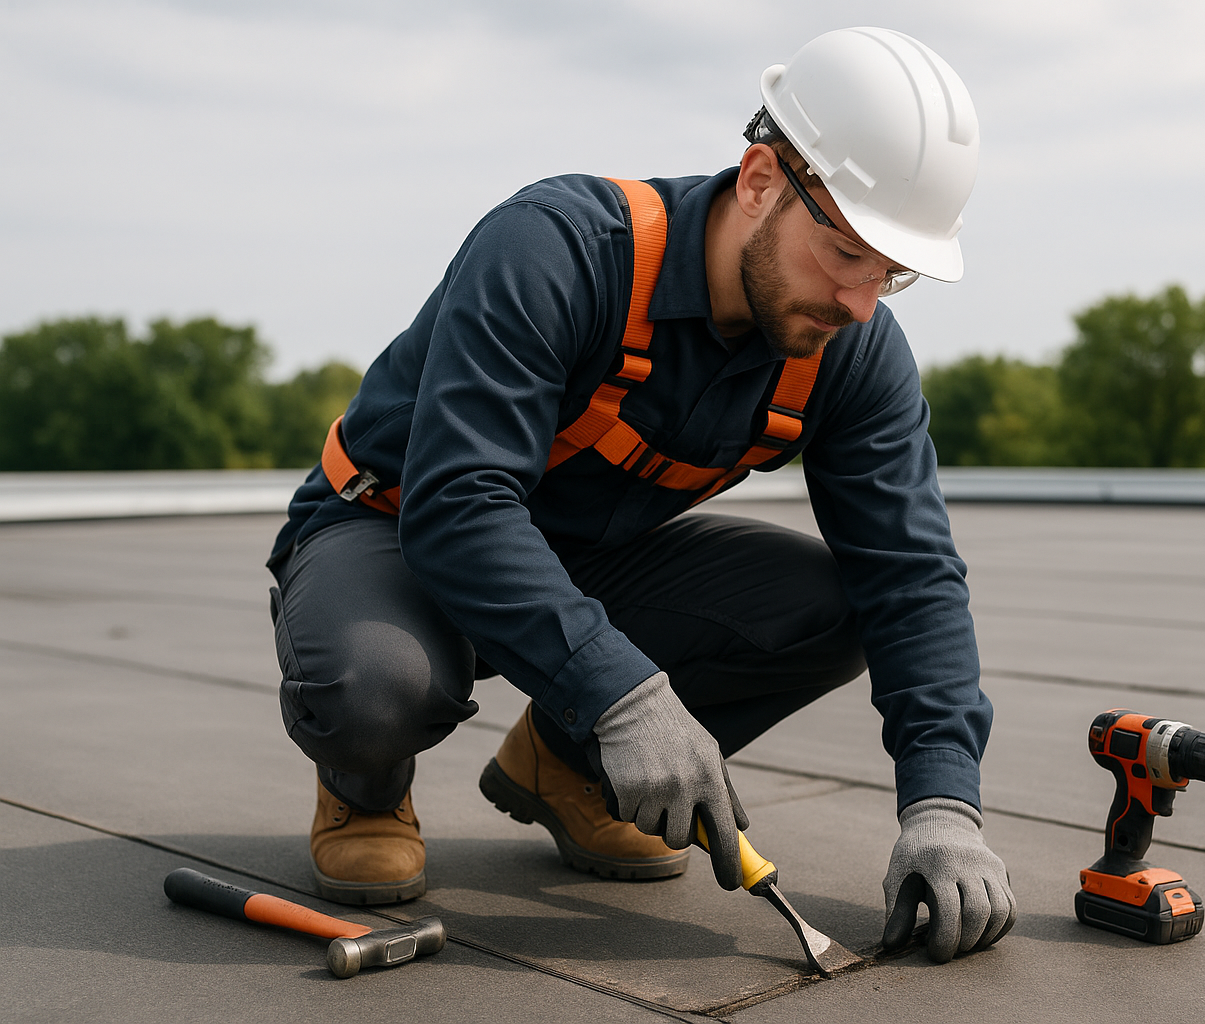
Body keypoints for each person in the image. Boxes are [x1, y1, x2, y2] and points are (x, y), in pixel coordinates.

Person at [266, 26, 1014, 963]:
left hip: (585, 558)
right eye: (846, 252)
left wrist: (944, 804)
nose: (862, 302)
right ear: (759, 181)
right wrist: (622, 696)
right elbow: (459, 505)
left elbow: (912, 578)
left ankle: (564, 767)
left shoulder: (849, 350)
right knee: (377, 687)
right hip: (392, 530)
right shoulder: (557, 251)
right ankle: (365, 785)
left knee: (835, 606)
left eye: (892, 273)